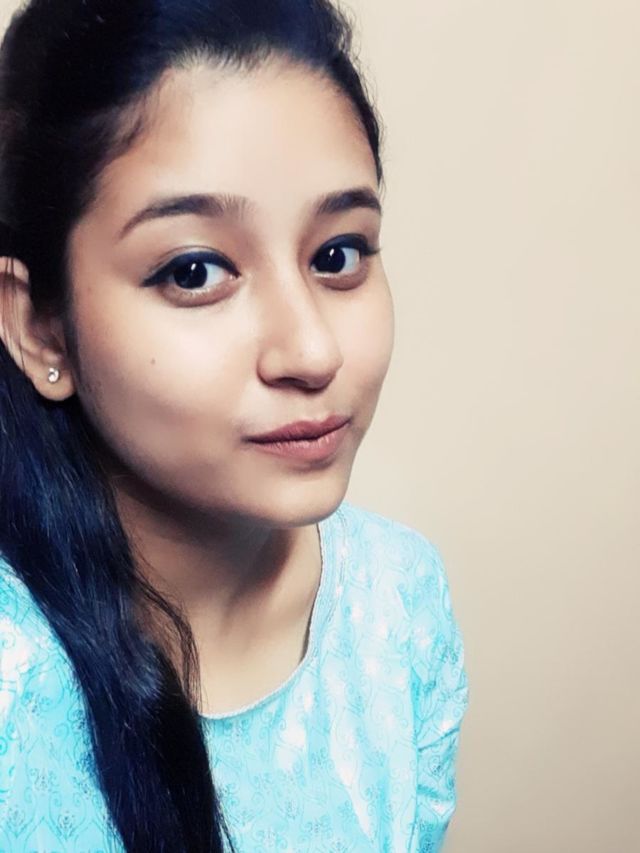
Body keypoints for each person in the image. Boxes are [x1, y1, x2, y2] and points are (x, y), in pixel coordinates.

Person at [0, 1, 468, 850]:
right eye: (195, 270)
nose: (312, 350)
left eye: (337, 255)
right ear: (39, 327)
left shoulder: (398, 602)